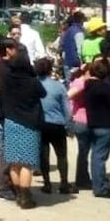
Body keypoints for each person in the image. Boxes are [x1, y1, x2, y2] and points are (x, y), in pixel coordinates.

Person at [0, 39, 45, 209]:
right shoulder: (32, 81)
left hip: (11, 121)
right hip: (29, 123)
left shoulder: (7, 79)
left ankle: (17, 193)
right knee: (26, 164)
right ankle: (25, 197)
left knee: (15, 163)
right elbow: (43, 93)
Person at [35, 57, 73, 194]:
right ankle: (64, 183)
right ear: (51, 70)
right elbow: (67, 110)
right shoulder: (59, 86)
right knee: (61, 155)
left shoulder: (34, 85)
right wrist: (69, 125)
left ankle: (47, 183)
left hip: (40, 124)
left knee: (43, 155)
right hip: (57, 123)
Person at [83, 59, 110, 199]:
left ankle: (98, 183)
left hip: (92, 123)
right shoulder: (105, 88)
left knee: (95, 156)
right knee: (100, 157)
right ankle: (100, 188)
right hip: (104, 124)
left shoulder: (88, 85)